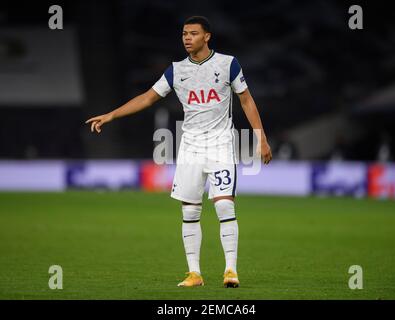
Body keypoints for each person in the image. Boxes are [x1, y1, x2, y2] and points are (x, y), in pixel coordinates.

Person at [85, 16, 272, 288]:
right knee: (190, 212)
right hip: (190, 148)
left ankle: (231, 270)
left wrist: (261, 138)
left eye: (193, 33)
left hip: (220, 144)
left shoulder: (227, 63)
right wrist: (111, 115)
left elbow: (246, 99)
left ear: (206, 37)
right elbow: (148, 98)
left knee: (223, 204)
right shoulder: (176, 70)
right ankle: (194, 274)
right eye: (184, 33)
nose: (186, 38)